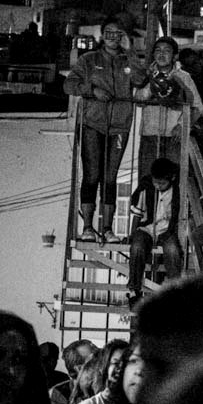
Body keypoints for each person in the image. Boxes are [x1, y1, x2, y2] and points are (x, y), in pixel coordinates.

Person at [63, 17, 148, 243]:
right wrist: (91, 90)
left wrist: (130, 55)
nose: (113, 37)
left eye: (117, 33)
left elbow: (140, 80)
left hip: (120, 125)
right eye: (109, 33)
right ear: (102, 35)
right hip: (92, 123)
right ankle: (88, 227)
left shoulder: (127, 60)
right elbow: (69, 84)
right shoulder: (88, 60)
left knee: (110, 177)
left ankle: (108, 228)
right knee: (92, 175)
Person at [135, 35, 203, 179]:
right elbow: (139, 100)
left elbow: (197, 106)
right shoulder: (147, 75)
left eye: (166, 51)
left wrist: (182, 125)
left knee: (173, 178)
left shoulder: (184, 77)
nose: (161, 54)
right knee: (148, 178)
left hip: (174, 137)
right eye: (158, 50)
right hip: (150, 135)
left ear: (174, 55)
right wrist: (152, 82)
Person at [126, 158, 183, 309]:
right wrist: (132, 234)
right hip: (147, 228)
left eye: (162, 183)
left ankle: (175, 290)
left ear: (172, 178)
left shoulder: (177, 190)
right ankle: (134, 290)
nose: (157, 186)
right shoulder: (146, 187)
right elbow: (138, 214)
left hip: (166, 229)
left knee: (172, 250)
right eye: (155, 182)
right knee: (137, 246)